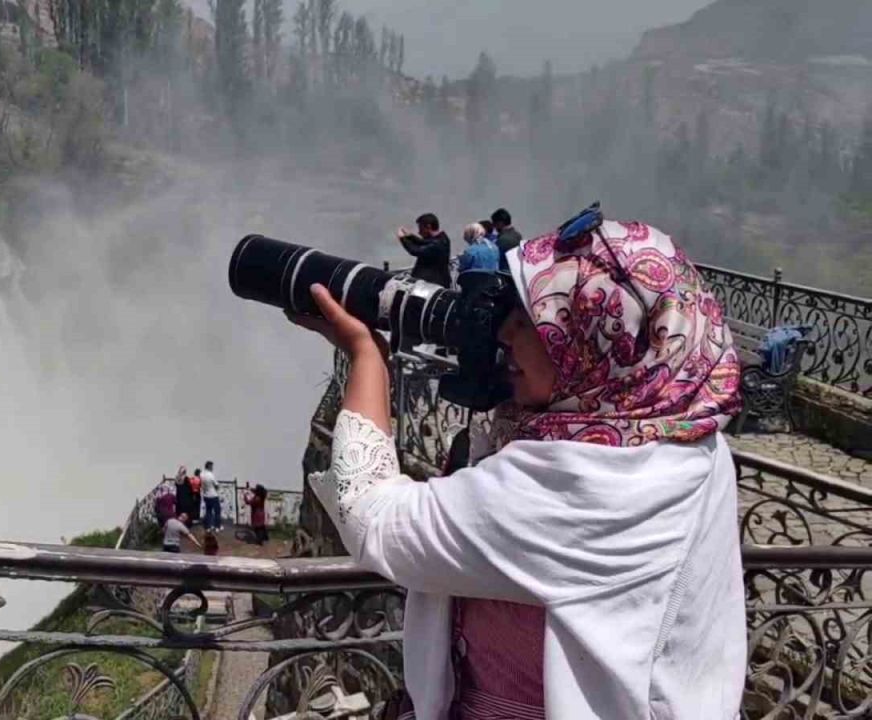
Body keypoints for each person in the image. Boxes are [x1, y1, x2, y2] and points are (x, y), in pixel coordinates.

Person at [287, 220, 744, 719]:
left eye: (534, 320)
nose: (505, 331)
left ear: (600, 344)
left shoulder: (588, 483)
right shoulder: (683, 437)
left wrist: (366, 356)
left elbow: (374, 518)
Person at [396, 214, 452, 288]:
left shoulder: (437, 245)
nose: (419, 232)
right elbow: (423, 242)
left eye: (421, 229)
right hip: (432, 282)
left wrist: (402, 238)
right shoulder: (442, 238)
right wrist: (410, 236)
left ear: (428, 227)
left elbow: (415, 251)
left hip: (432, 284)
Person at [201, 460, 222, 532]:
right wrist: (217, 487)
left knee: (208, 511)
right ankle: (217, 526)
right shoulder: (211, 475)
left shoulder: (202, 474)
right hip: (213, 495)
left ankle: (208, 527)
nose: (212, 468)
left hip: (206, 495)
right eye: (212, 466)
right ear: (209, 466)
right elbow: (216, 485)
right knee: (217, 511)